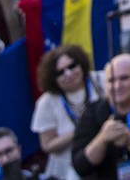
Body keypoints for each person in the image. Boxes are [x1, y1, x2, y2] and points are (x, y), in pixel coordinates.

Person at [72, 53, 130, 180]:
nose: (117, 86)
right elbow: (80, 166)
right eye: (111, 81)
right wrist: (102, 139)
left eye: (124, 78)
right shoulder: (94, 111)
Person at [31, 44, 102, 180]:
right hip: (67, 169)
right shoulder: (46, 103)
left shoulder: (101, 80)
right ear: (52, 78)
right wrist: (80, 131)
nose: (68, 74)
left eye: (72, 66)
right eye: (60, 72)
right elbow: (47, 145)